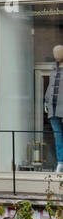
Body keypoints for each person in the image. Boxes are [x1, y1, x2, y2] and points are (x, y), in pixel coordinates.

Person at [46, 44, 63, 173]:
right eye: (54, 53)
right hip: (53, 107)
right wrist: (46, 102)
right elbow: (50, 87)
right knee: (57, 136)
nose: (55, 55)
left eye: (58, 52)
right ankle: (60, 162)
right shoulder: (53, 69)